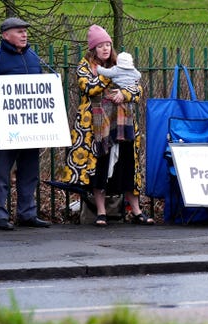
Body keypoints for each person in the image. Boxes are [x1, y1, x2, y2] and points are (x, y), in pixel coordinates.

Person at [59, 24, 153, 226]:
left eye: (108, 45)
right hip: (96, 125)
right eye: (100, 45)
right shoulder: (84, 67)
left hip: (122, 122)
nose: (105, 49)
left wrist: (124, 93)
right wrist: (109, 74)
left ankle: (136, 211)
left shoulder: (122, 64)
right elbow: (89, 87)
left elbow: (137, 89)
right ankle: (101, 212)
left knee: (128, 165)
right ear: (93, 49)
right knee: (99, 167)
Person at [0, 17, 51, 231]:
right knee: (1, 172)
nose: (24, 34)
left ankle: (27, 213)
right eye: (19, 31)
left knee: (30, 171)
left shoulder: (33, 57)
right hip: (4, 126)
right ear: (5, 35)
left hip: (31, 127)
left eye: (25, 31)